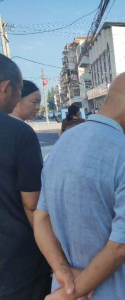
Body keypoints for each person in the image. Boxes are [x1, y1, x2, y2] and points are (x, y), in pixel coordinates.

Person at [34, 71, 125, 299]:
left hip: (65, 283)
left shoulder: (63, 143)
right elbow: (121, 247)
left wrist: (62, 271)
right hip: (114, 290)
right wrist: (71, 293)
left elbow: (41, 218)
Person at [0, 54, 51, 299]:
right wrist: (57, 260)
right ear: (5, 88)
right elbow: (32, 207)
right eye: (19, 91)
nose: (18, 97)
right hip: (16, 265)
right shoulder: (20, 134)